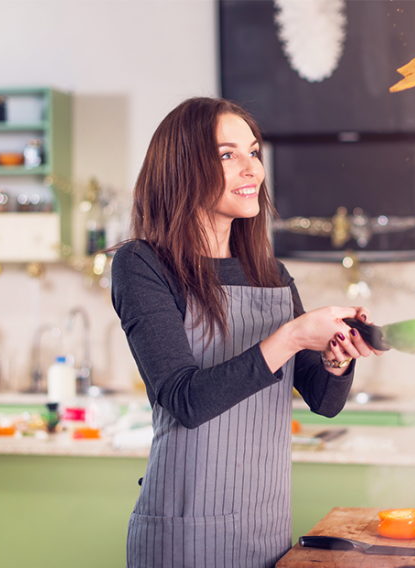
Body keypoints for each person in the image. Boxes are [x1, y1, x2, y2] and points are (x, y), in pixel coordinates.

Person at [111, 97, 381, 568]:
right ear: (181, 168)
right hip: (185, 531)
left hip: (265, 526)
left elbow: (325, 400)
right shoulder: (142, 264)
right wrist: (294, 335)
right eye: (226, 154)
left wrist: (339, 356)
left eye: (253, 152)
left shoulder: (269, 272)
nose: (250, 168)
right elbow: (185, 399)